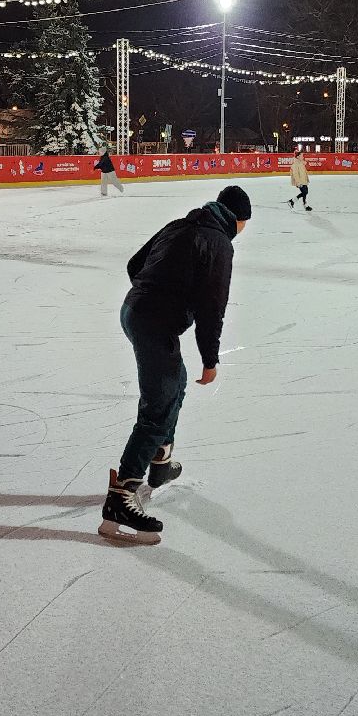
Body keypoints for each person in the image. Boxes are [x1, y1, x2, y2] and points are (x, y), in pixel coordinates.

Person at [101, 185, 253, 543]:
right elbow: (211, 308)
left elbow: (135, 264)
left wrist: (152, 295)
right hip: (152, 322)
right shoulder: (219, 243)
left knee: (174, 385)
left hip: (132, 311)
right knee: (159, 406)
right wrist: (210, 360)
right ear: (238, 219)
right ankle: (121, 497)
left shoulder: (179, 224)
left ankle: (161, 460)